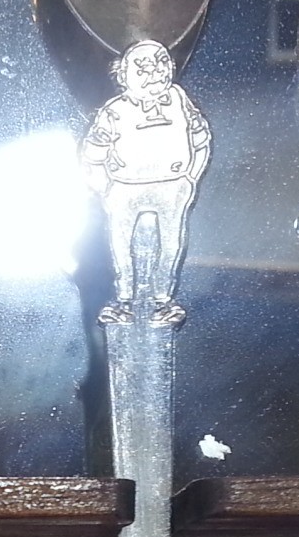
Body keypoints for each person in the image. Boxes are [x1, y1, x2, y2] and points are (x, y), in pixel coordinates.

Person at [80, 40, 211, 326]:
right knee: (120, 245)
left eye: (161, 64)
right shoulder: (114, 111)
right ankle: (123, 300)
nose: (155, 73)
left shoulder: (178, 98)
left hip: (173, 186)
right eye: (143, 68)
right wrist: (105, 189)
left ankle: (163, 300)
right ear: (123, 76)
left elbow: (200, 136)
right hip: (125, 187)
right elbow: (92, 153)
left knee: (172, 244)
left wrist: (191, 177)